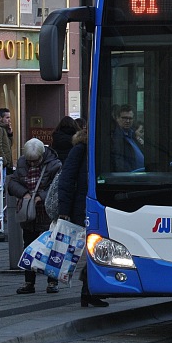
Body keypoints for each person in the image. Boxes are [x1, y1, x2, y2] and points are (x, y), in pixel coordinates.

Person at [57, 125, 108, 308]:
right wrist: (63, 209)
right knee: (91, 247)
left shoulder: (97, 148)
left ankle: (88, 290)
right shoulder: (80, 149)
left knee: (93, 248)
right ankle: (87, 289)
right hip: (81, 206)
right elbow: (67, 178)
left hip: (91, 203)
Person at [8, 138, 62, 294]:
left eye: (35, 160)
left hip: (46, 212)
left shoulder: (54, 165)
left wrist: (42, 196)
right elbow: (12, 183)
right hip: (29, 212)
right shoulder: (22, 163)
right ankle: (29, 282)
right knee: (29, 247)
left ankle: (52, 282)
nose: (32, 164)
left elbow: (57, 186)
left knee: (50, 247)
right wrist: (24, 193)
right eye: (29, 161)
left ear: (42, 155)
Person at [110, 104, 143, 172]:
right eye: (124, 118)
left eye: (130, 118)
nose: (128, 121)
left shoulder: (133, 135)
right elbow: (119, 162)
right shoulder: (115, 138)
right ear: (117, 118)